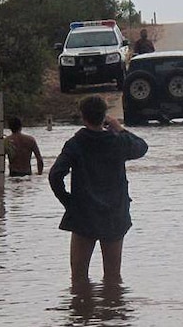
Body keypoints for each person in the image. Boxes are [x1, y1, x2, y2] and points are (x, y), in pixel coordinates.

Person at [49, 95, 149, 284]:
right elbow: (142, 147)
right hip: (114, 214)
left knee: (78, 277)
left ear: (83, 116)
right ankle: (112, 309)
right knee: (113, 276)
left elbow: (55, 175)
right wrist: (119, 128)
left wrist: (70, 203)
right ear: (104, 116)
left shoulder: (75, 143)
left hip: (84, 215)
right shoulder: (117, 142)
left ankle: (82, 311)